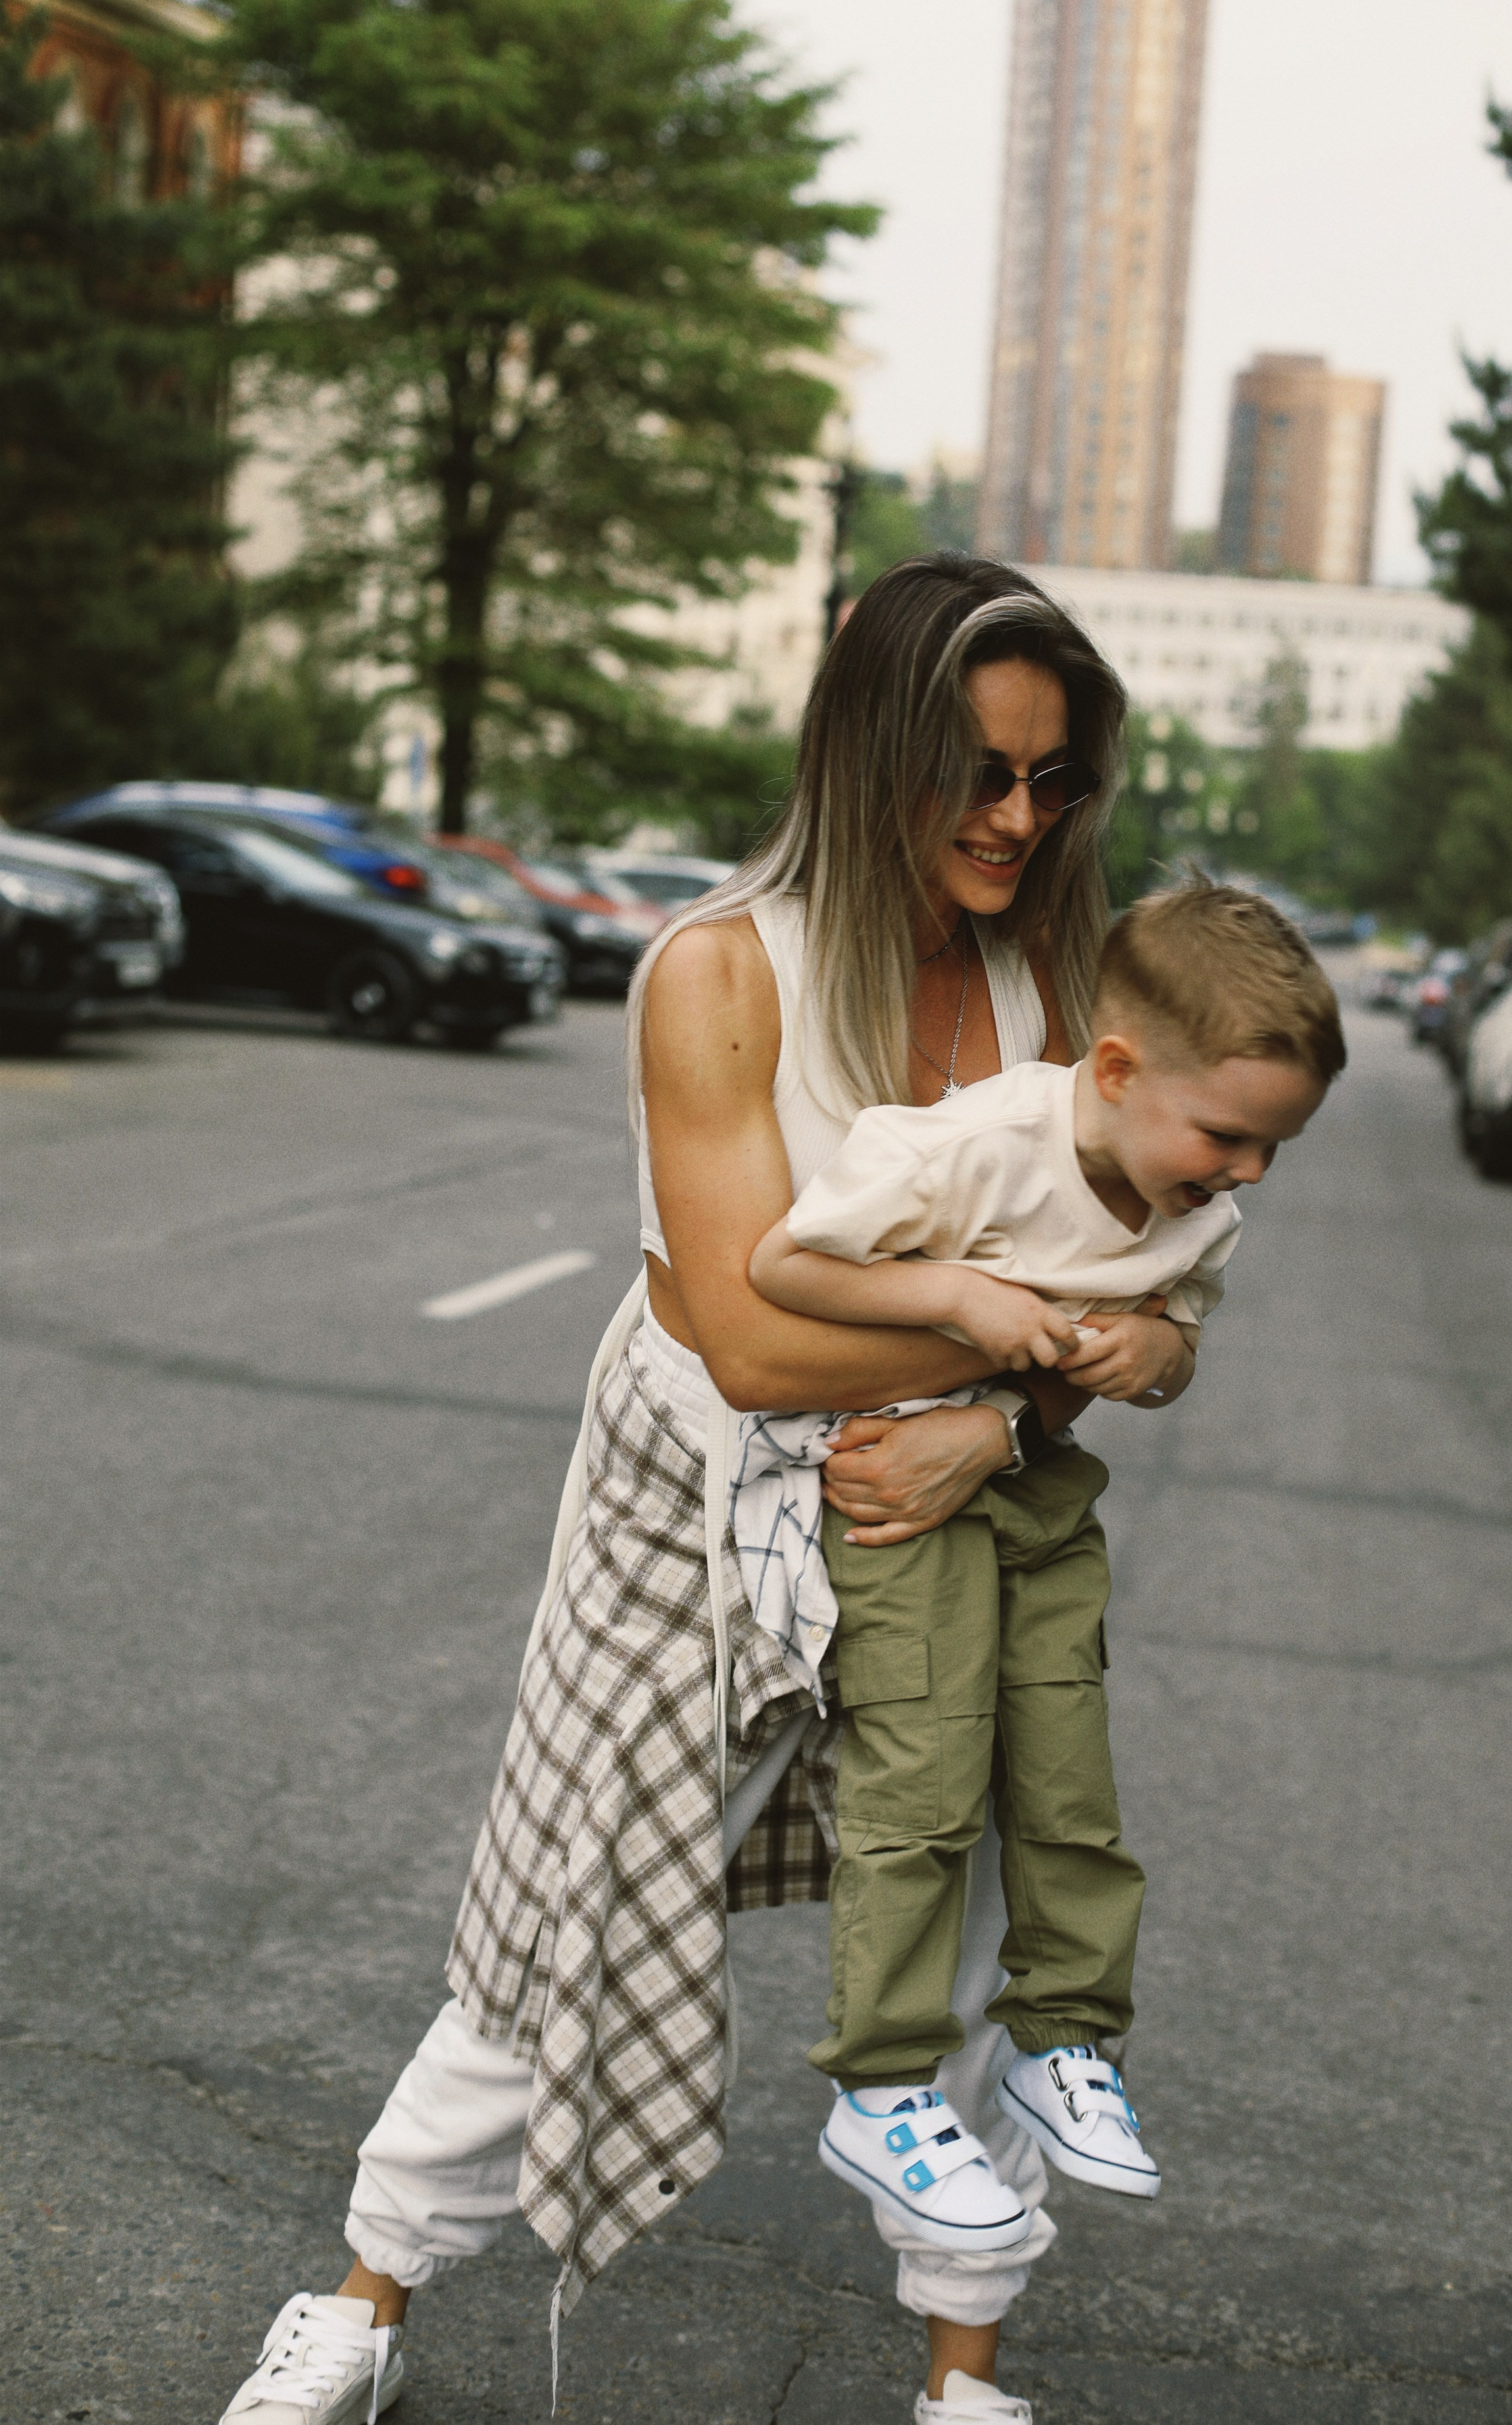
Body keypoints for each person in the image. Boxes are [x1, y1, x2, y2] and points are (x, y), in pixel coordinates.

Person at [217, 556, 1175, 2425]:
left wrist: (1003, 1423)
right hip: (696, 1500)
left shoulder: (1063, 976)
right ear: (866, 744)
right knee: (562, 1907)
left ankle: (967, 2380)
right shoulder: (723, 970)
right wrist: (1007, 1362)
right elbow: (749, 1340)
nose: (1016, 817)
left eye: (1055, 782)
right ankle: (366, 2296)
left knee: (970, 1927)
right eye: (979, 771)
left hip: (951, 1504)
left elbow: (1140, 1293)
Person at [741, 879, 1342, 2251]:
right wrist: (954, 1293)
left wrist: (1159, 1356)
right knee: (928, 1780)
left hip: (1037, 1488)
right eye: (1229, 1137)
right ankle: (881, 2081)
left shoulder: (1196, 1204)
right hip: (898, 1498)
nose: (1246, 1173)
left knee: (1069, 1779)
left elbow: (1172, 1330)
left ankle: (1062, 2037)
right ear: (1117, 1070)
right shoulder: (956, 1151)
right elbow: (783, 1266)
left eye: (1273, 1148)